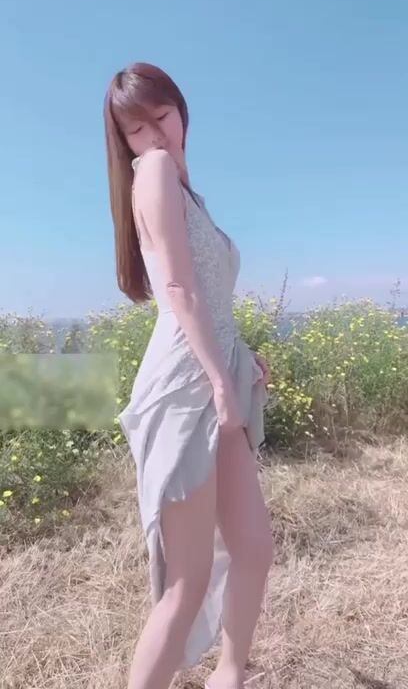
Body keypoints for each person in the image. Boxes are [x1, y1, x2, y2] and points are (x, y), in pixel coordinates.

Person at [103, 62, 275, 689]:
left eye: (161, 116)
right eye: (136, 129)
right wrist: (221, 381)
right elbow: (177, 290)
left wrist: (242, 357)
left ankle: (229, 675)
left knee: (254, 547)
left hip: (215, 373)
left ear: (181, 111)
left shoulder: (187, 191)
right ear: (123, 141)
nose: (153, 135)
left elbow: (212, 298)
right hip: (184, 386)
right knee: (187, 581)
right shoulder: (151, 172)